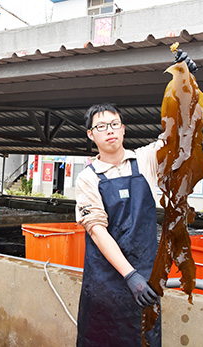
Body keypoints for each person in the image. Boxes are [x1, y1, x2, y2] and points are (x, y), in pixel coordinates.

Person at [75, 104, 162, 346]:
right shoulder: (88, 177)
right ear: (91, 135)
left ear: (123, 129)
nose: (109, 131)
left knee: (144, 337)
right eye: (101, 127)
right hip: (105, 284)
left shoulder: (145, 160)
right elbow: (97, 230)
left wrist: (186, 84)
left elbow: (180, 132)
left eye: (114, 124)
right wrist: (129, 275)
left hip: (145, 281)